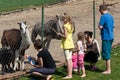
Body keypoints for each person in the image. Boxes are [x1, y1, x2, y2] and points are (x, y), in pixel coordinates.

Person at [57, 12, 74, 79]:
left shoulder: (65, 26)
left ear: (66, 18)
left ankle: (69, 75)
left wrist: (59, 34)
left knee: (68, 59)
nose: (62, 19)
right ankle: (70, 73)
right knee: (70, 59)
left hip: (66, 43)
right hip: (70, 43)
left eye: (63, 18)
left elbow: (65, 36)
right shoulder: (71, 24)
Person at [98, 4, 114, 74]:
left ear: (102, 10)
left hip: (106, 37)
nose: (99, 11)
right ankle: (107, 69)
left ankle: (108, 70)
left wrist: (99, 25)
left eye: (99, 10)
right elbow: (113, 26)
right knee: (108, 52)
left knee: (106, 53)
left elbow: (100, 26)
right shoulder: (111, 16)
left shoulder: (103, 17)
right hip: (111, 36)